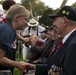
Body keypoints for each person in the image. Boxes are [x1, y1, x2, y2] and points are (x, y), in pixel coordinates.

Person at [24, 6, 76, 75]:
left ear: (64, 21)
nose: (53, 24)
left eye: (55, 20)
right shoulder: (67, 40)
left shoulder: (74, 44)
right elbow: (52, 66)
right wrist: (33, 67)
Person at [0, 4, 30, 72]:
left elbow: (15, 34)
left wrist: (24, 39)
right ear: (16, 18)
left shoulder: (6, 27)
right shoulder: (9, 31)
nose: (26, 23)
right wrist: (17, 64)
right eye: (25, 19)